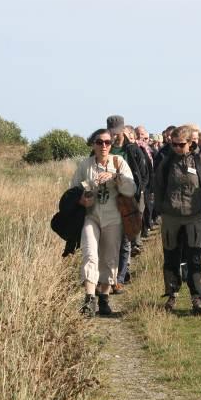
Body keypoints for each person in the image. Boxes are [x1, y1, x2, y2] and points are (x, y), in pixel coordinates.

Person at [70, 128, 136, 316]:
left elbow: (131, 189)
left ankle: (104, 298)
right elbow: (72, 190)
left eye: (107, 142)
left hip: (113, 217)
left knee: (109, 257)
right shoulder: (85, 165)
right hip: (91, 216)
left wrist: (115, 177)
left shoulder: (119, 162)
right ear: (93, 144)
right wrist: (82, 199)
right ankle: (89, 298)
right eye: (99, 142)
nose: (104, 146)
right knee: (90, 254)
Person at [154, 125, 201, 314]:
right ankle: (172, 295)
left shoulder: (200, 161)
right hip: (171, 218)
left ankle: (197, 298)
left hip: (194, 218)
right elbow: (157, 187)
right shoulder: (166, 163)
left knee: (195, 259)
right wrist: (161, 211)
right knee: (171, 258)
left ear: (190, 143)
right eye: (173, 144)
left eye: (180, 144)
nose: (176, 148)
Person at [108, 115, 148, 293]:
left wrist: (137, 191)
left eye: (117, 132)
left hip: (128, 199)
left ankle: (119, 279)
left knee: (125, 239)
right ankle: (109, 276)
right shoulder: (103, 147)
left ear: (123, 130)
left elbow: (145, 172)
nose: (114, 135)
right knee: (109, 240)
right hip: (107, 200)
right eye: (111, 132)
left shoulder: (132, 150)